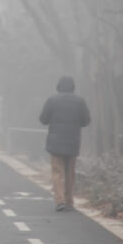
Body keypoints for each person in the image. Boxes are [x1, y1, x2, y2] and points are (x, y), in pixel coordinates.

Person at [39, 76, 91, 212]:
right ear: (73, 86)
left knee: (57, 171)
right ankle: (69, 201)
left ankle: (59, 200)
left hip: (55, 142)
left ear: (58, 86)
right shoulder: (80, 101)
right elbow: (86, 121)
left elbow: (43, 119)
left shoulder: (52, 100)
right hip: (72, 141)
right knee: (70, 172)